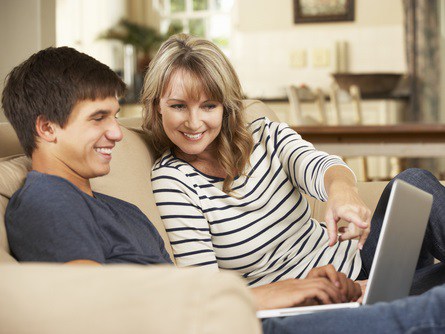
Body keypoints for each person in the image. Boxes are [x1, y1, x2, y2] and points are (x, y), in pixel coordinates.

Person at [2, 46, 359, 312]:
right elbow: (95, 303)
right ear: (47, 127)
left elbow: (187, 290)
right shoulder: (47, 200)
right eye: (99, 118)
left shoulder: (114, 209)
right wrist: (267, 295)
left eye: (115, 116)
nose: (118, 133)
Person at [144, 34, 445, 304]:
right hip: (317, 301)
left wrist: (342, 191)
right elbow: (206, 293)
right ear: (157, 105)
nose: (194, 123)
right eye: (179, 106)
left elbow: (320, 166)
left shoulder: (264, 134)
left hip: (362, 260)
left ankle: (389, 293)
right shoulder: (173, 180)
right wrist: (310, 291)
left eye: (208, 106)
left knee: (415, 181)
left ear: (226, 106)